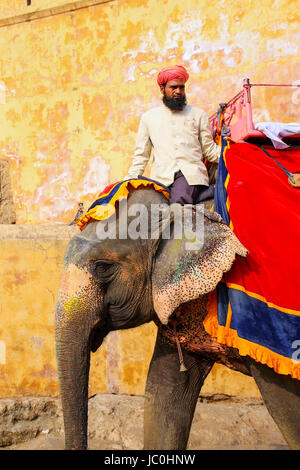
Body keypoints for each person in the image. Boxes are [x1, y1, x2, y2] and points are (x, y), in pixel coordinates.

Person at [126, 65, 220, 205]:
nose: (179, 91)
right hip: (161, 179)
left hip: (190, 175)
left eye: (182, 87)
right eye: (174, 87)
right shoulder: (148, 118)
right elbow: (141, 155)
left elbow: (209, 150)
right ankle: (206, 194)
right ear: (162, 89)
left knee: (177, 207)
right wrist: (129, 179)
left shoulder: (198, 114)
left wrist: (232, 156)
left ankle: (201, 192)